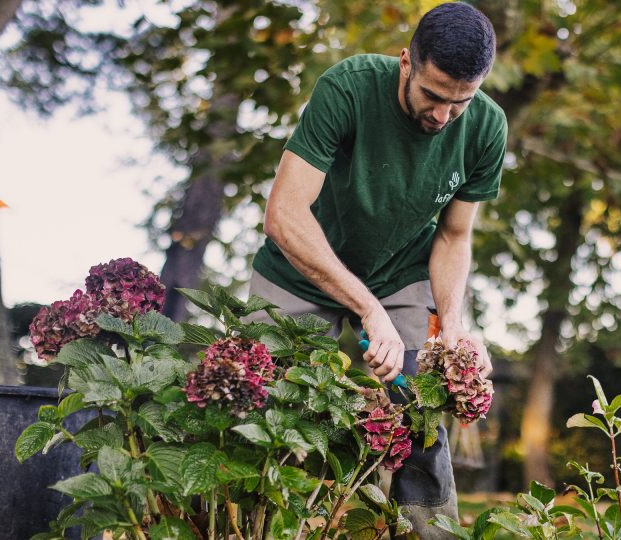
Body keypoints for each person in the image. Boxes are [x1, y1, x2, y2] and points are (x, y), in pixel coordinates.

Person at [242, 2, 507, 536]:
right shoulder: (348, 88)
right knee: (265, 414)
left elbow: (454, 236)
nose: (442, 117)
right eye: (433, 95)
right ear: (405, 62)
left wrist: (452, 328)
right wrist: (366, 308)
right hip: (299, 267)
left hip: (401, 273)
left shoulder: (485, 127)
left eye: (460, 102)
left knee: (420, 420)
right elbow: (284, 216)